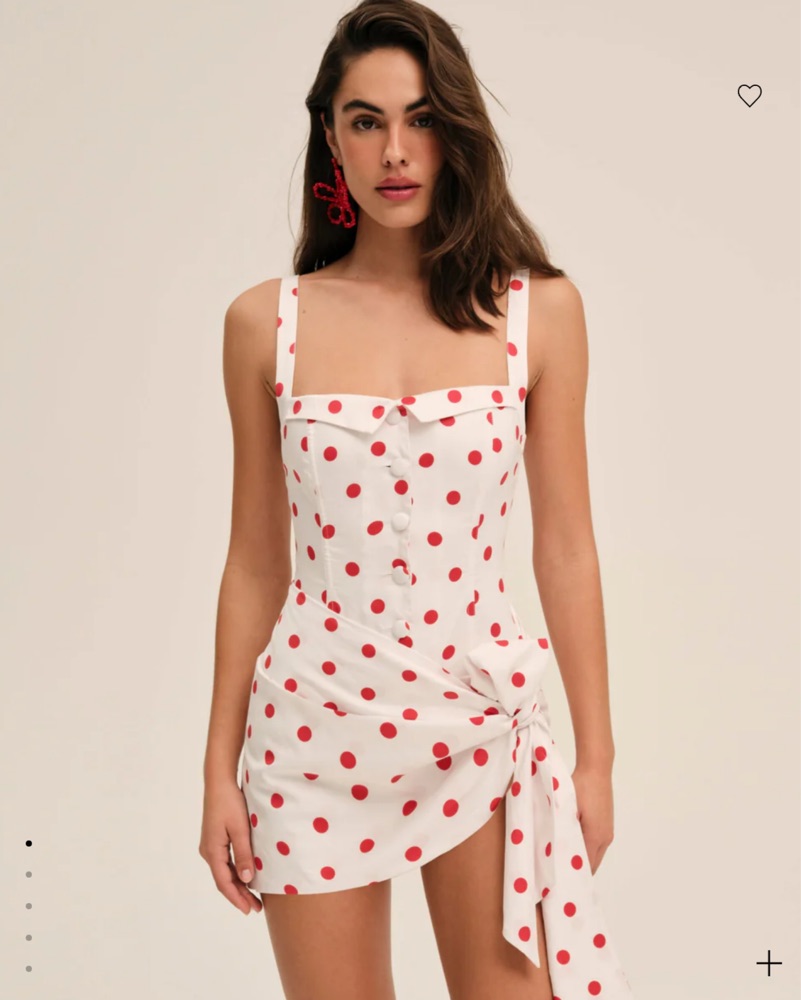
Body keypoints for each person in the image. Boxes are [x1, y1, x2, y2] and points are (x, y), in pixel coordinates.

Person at [199, 2, 635, 998]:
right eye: (366, 120)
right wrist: (219, 770)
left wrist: (597, 761)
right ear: (331, 135)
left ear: (456, 131)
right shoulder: (265, 324)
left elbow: (566, 548)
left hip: (480, 723)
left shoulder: (538, 312)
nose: (395, 151)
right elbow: (255, 562)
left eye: (422, 118)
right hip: (311, 728)